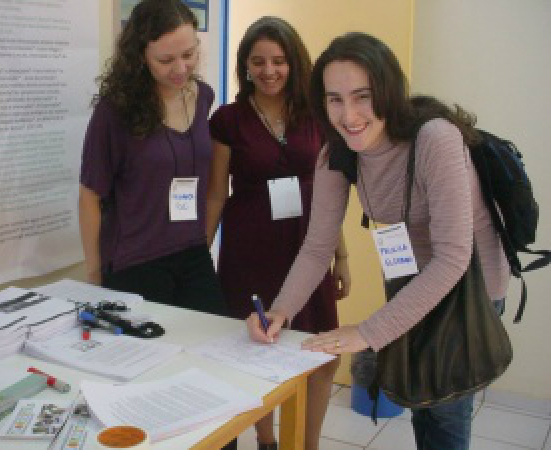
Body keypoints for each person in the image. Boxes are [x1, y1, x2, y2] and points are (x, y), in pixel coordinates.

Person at [246, 32, 510, 450]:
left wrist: (367, 332)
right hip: (412, 280)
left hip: (469, 285)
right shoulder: (337, 152)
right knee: (420, 397)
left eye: (361, 96)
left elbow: (454, 257)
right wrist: (281, 310)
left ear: (386, 91)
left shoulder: (435, 139)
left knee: (444, 411)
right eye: (334, 99)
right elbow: (317, 247)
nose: (348, 114)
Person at [207, 17, 350, 450]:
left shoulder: (316, 114)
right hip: (251, 247)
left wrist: (341, 256)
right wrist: (200, 251)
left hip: (309, 244)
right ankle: (267, 440)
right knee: (259, 350)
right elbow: (216, 193)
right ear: (245, 66)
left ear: (294, 63)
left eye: (279, 61)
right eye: (258, 62)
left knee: (323, 356)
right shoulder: (228, 119)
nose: (269, 71)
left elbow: (332, 193)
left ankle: (307, 445)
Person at [78, 0, 227, 317]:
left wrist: (204, 239)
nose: (180, 69)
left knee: (217, 345)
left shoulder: (204, 97)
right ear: (140, 57)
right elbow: (90, 194)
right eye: (165, 60)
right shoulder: (115, 111)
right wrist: (93, 276)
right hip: (137, 261)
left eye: (189, 55)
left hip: (192, 252)